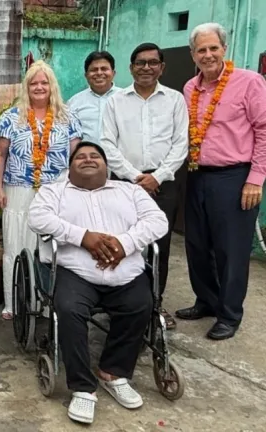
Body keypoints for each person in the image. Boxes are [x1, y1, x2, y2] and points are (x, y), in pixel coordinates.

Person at [29, 142, 168, 425]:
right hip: (76, 272)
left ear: (107, 165)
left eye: (95, 156)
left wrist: (123, 243)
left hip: (125, 270)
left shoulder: (129, 190)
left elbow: (158, 220)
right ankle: (82, 386)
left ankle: (113, 372)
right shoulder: (54, 192)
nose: (88, 159)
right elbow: (37, 218)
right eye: (80, 157)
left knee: (141, 305)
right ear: (70, 167)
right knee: (68, 310)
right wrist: (84, 237)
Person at [176, 23, 266, 340]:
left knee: (232, 249)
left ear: (224, 49)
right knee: (198, 245)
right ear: (193, 54)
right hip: (197, 174)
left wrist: (256, 178)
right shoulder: (189, 88)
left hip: (236, 176)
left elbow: (264, 130)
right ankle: (207, 301)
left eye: (214, 48)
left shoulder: (249, 83)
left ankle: (229, 314)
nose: (208, 54)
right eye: (201, 49)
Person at [99, 42, 189, 330]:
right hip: (125, 183)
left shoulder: (175, 100)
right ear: (131, 68)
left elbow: (180, 144)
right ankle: (122, 305)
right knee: (123, 243)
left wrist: (157, 176)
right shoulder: (116, 102)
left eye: (152, 62)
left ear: (162, 67)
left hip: (164, 185)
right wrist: (135, 176)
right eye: (140, 63)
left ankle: (155, 306)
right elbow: (107, 144)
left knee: (158, 246)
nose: (146, 67)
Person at [0, 60, 83, 320]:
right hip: (18, 188)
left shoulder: (67, 117)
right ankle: (13, 302)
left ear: (52, 86)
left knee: (51, 245)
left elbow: (76, 156)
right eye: (34, 83)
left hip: (56, 190)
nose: (39, 87)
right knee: (15, 243)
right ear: (26, 87)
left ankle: (47, 303)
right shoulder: (12, 116)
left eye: (44, 82)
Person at [67, 51, 121, 143]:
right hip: (86, 156)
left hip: (119, 156)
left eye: (104, 69)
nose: (99, 73)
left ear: (113, 73)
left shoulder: (125, 98)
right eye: (94, 70)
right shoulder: (74, 103)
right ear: (86, 75)